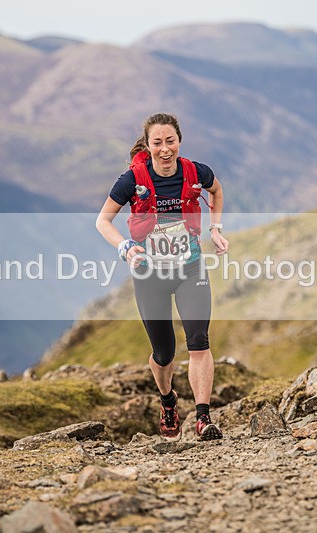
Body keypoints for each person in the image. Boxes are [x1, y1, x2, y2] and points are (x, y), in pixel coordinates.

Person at [96, 113, 229, 441]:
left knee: (199, 342)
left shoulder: (196, 172)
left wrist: (215, 228)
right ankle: (168, 401)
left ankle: (202, 418)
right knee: (164, 354)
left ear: (179, 141)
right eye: (158, 142)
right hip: (149, 275)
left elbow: (216, 191)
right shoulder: (132, 180)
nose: (165, 148)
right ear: (149, 145)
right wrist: (125, 247)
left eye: (170, 141)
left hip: (190, 268)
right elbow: (102, 221)